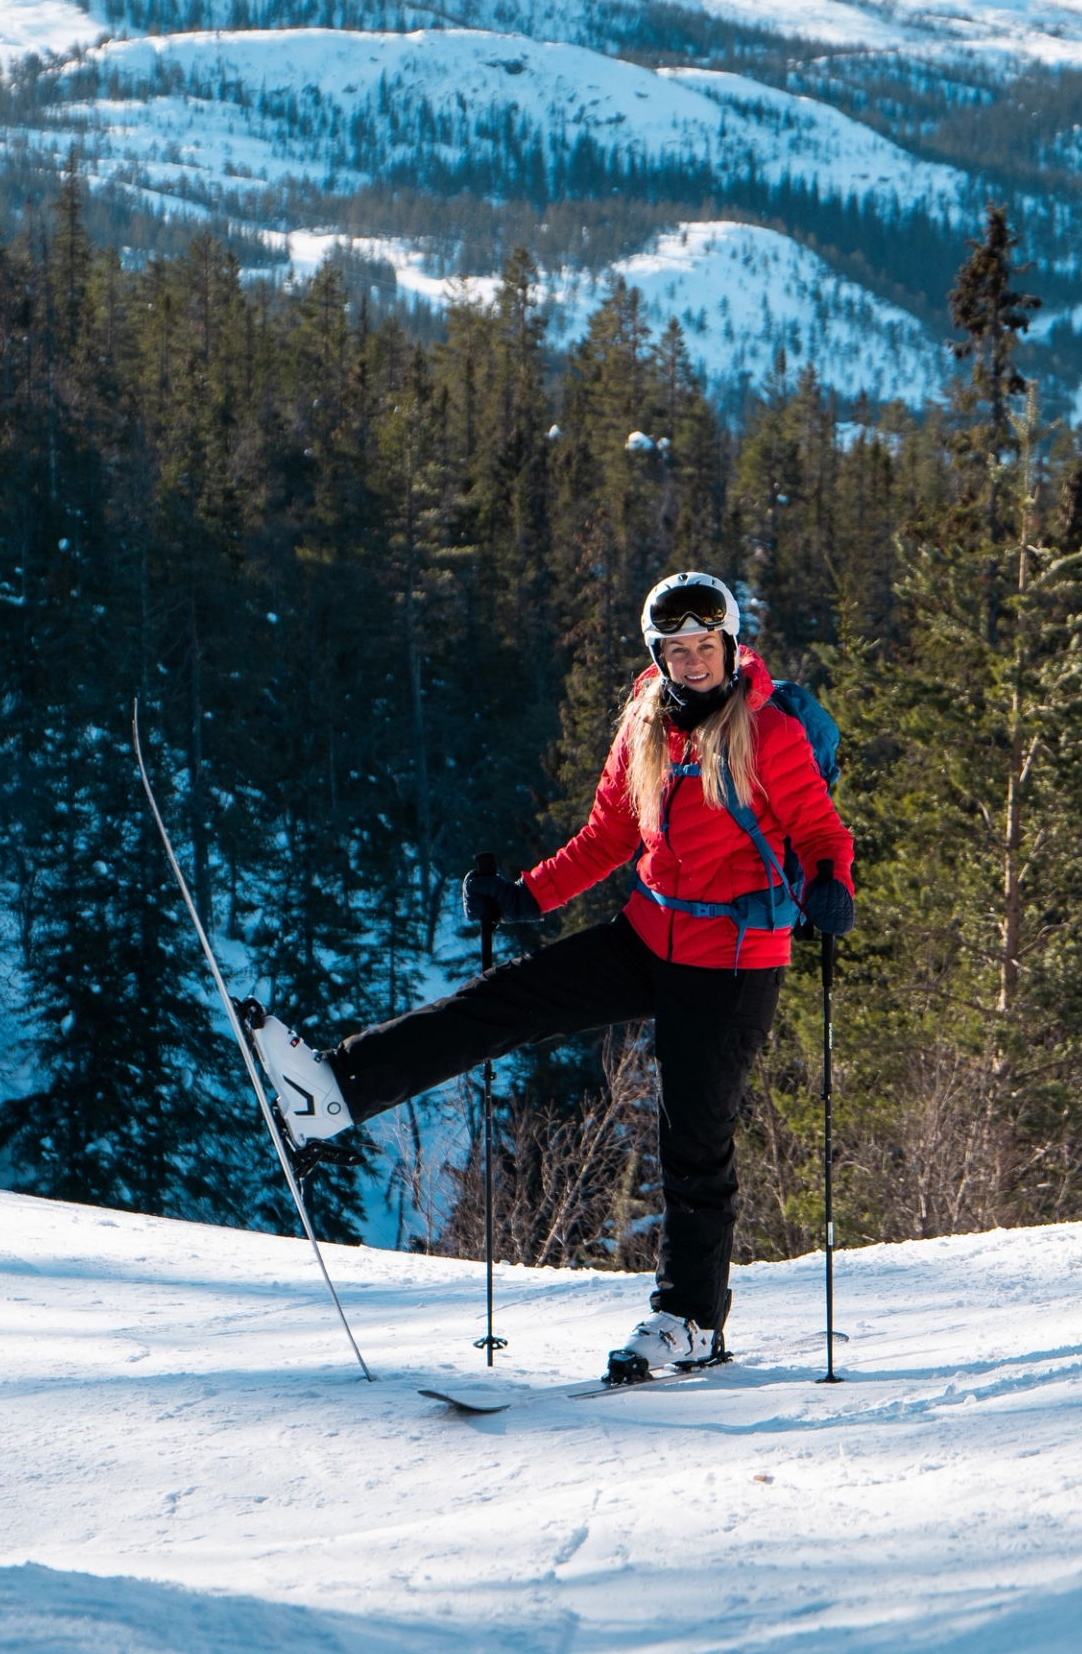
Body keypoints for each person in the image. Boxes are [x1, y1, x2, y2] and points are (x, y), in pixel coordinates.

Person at [244, 571, 856, 1381]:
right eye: (676, 650)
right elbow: (607, 835)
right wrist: (526, 895)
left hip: (733, 964)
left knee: (693, 1141)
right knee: (501, 1002)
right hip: (647, 933)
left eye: (705, 647)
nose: (693, 662)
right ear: (659, 653)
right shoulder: (646, 718)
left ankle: (692, 1321)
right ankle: (332, 1093)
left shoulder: (769, 733)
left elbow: (821, 832)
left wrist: (832, 887)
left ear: (730, 646)